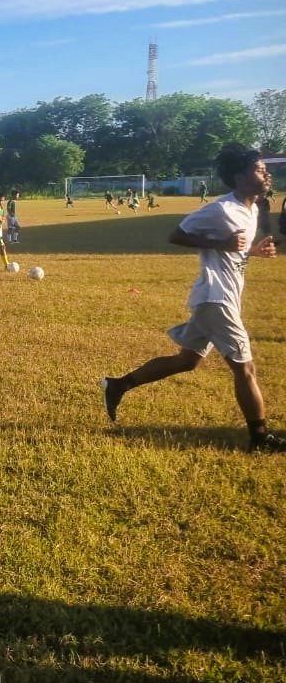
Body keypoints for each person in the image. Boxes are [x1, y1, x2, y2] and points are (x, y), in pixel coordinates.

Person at [101, 146, 284, 454]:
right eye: (259, 169)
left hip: (221, 297)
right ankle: (260, 438)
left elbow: (232, 250)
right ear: (239, 177)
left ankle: (118, 385)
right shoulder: (220, 209)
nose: (266, 173)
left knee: (188, 361)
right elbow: (177, 234)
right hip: (216, 298)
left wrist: (250, 252)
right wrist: (220, 242)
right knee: (245, 368)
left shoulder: (252, 209)